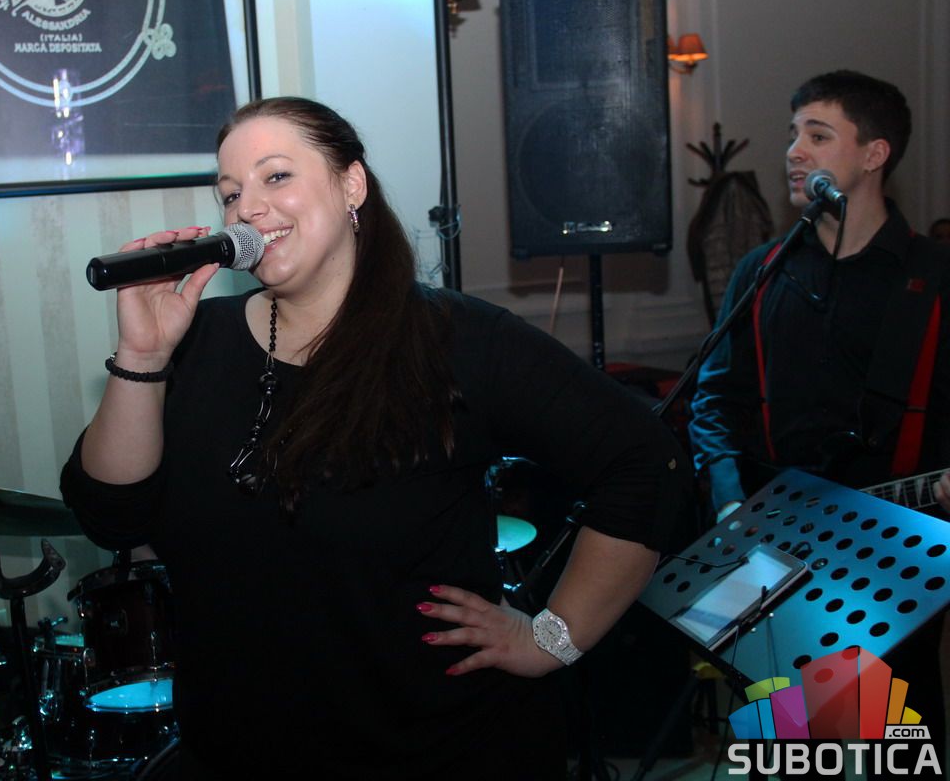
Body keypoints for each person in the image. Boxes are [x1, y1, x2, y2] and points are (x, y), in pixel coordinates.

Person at [60, 96, 688, 778]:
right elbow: (110, 517)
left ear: (351, 184)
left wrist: (551, 638)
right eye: (231, 193)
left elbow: (645, 462)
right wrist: (143, 356)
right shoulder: (196, 341)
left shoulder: (455, 340)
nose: (248, 208)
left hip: (433, 750)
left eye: (276, 176)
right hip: (237, 751)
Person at [689, 70, 947, 773]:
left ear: (874, 154)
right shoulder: (763, 270)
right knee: (782, 749)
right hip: (769, 553)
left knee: (884, 751)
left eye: (819, 135)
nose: (794, 151)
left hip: (893, 562)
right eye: (793, 133)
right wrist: (729, 500)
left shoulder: (933, 277)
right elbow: (715, 400)